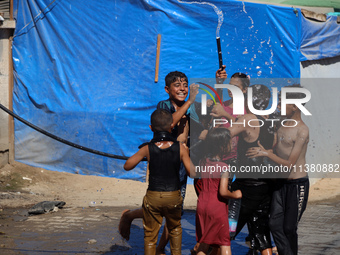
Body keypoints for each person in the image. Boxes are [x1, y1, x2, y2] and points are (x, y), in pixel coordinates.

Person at [119, 71, 199, 254]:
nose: (183, 89)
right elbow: (169, 125)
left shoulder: (192, 107)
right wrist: (189, 102)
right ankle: (130, 216)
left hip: (181, 159)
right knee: (159, 205)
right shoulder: (164, 106)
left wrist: (219, 80)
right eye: (177, 85)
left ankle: (160, 248)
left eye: (185, 85)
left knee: (173, 210)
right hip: (165, 160)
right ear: (167, 89)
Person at [246, 84, 310, 255]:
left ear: (295, 106)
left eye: (282, 102)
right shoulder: (279, 124)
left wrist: (265, 154)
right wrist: (265, 150)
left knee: (289, 228)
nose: (278, 105)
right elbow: (275, 148)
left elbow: (289, 163)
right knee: (274, 224)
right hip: (280, 184)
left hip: (297, 185)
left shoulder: (302, 130)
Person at [214, 84, 275, 255]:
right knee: (261, 234)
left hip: (247, 187)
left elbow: (223, 136)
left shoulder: (248, 118)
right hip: (265, 185)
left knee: (226, 231)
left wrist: (211, 130)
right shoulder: (271, 120)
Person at [123, 109, 192, 255]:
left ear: (151, 128)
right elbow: (192, 172)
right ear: (171, 127)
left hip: (153, 196)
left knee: (150, 235)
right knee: (175, 229)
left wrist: (144, 153)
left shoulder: (148, 148)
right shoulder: (180, 148)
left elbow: (127, 165)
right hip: (173, 195)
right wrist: (186, 152)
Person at [195, 128, 242, 255]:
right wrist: (235, 195)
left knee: (204, 243)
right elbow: (223, 192)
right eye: (229, 142)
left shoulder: (202, 162)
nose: (232, 145)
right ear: (222, 146)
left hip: (202, 205)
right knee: (225, 243)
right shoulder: (224, 167)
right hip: (217, 208)